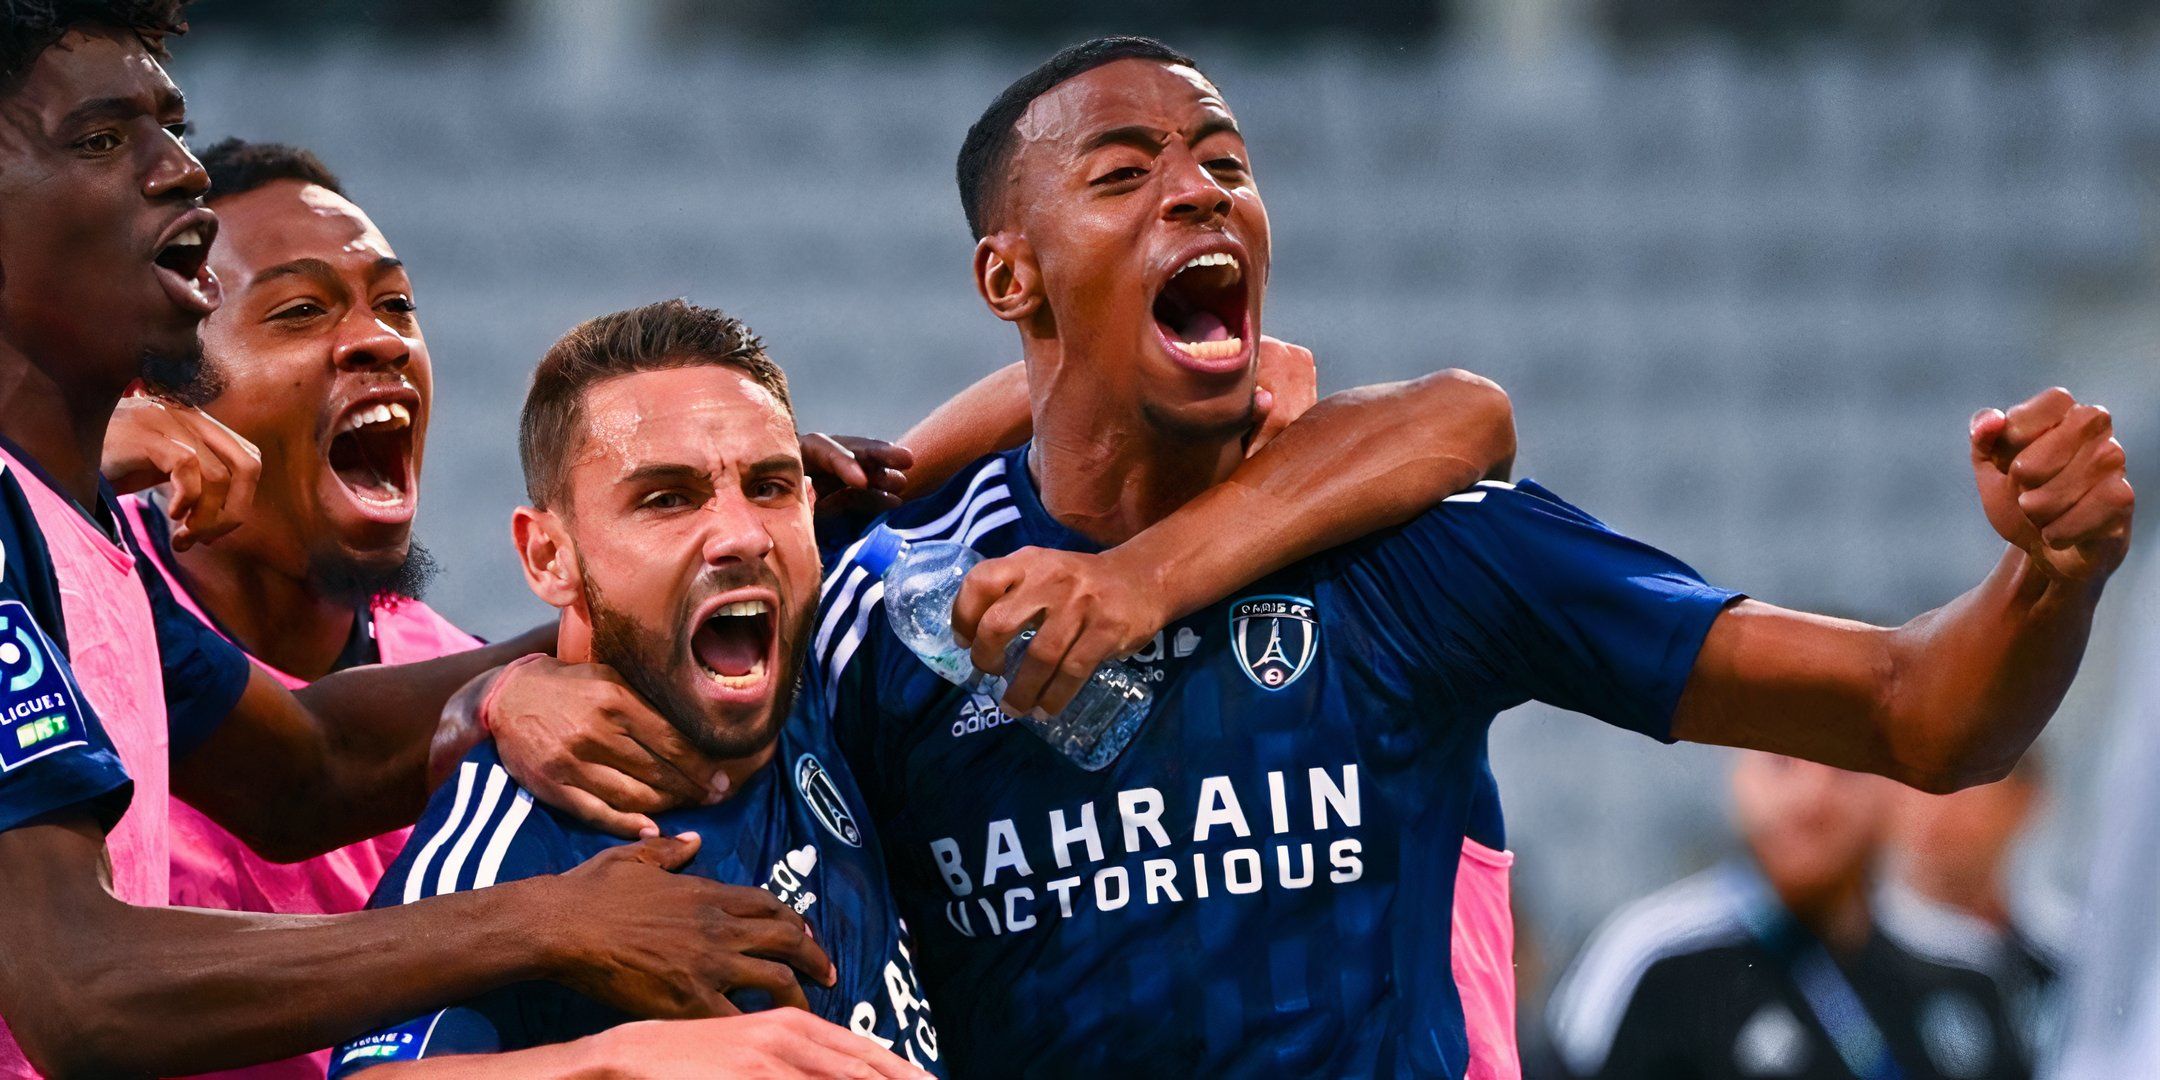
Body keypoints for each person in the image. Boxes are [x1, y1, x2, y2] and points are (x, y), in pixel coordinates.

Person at [802, 36, 2133, 1077]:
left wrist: (2049, 576)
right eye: (1123, 172)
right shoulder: (890, 605)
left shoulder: (1423, 554)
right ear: (1009, 279)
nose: (1201, 190)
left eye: (1226, 162)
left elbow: (1926, 711)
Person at [0, 9, 851, 1074]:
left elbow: (310, 770)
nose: (176, 171)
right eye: (99, 139)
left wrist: (648, 603)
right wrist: (540, 926)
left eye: (168, 128)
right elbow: (79, 990)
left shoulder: (77, 542)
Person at [1546, 753, 2028, 1080]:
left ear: (1901, 786)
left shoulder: (1968, 973)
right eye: (1781, 763)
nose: (1812, 797)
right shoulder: (1651, 961)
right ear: (1738, 774)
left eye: (1847, 765)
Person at [1881, 754, 2065, 1072]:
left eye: (1959, 787)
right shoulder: (1861, 957)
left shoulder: (2066, 950)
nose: (1933, 808)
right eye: (1911, 785)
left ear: (2025, 798)